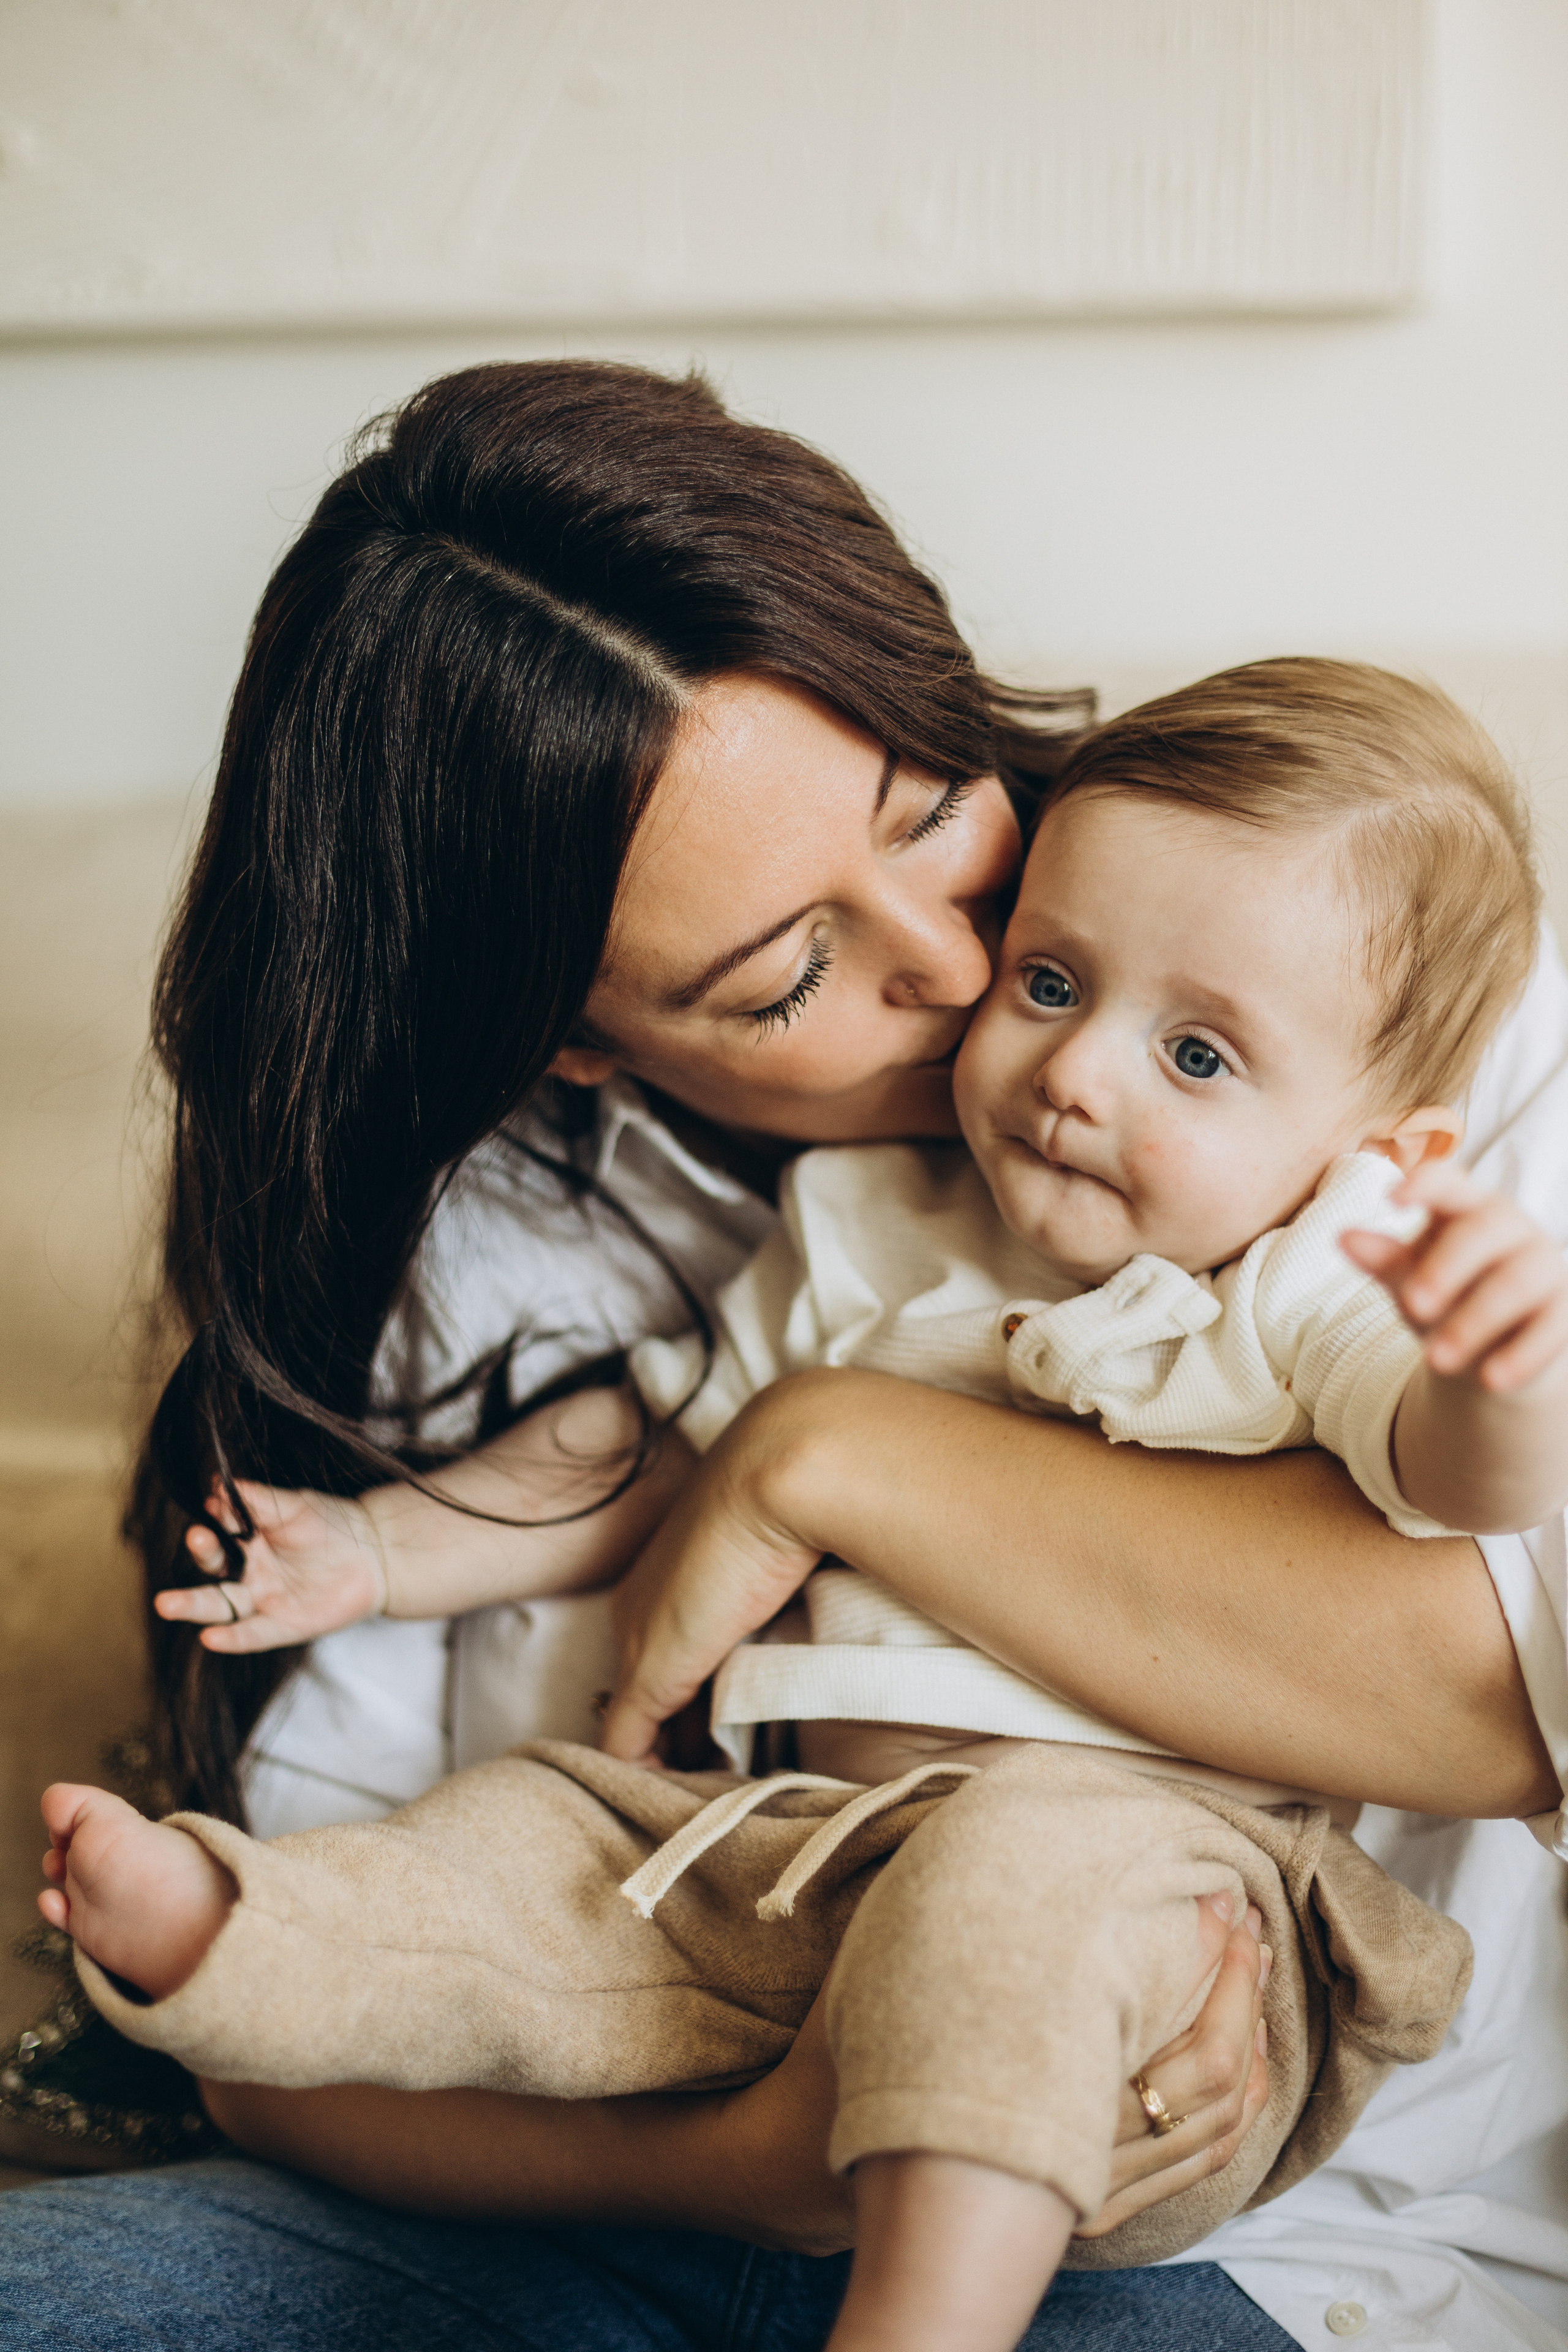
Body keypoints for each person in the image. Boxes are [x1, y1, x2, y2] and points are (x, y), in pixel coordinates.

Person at [0, 361, 1562, 2352]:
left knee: (1020, 1902)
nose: (970, 974)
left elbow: (1496, 1681)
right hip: (670, 2056)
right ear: (570, 1039)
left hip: (1200, 2210)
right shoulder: (588, 1242)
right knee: (480, 1879)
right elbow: (312, 2070)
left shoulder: (1367, 1009)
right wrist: (753, 2160)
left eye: (933, 817)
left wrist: (835, 1452)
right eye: (791, 969)